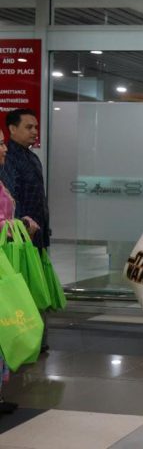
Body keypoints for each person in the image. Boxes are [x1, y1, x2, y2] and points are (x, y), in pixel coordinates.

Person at [0, 108, 48, 353]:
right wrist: (21, 227)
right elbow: (9, 203)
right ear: (12, 129)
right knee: (22, 291)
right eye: (29, 127)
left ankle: (36, 341)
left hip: (34, 237)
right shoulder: (9, 161)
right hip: (18, 239)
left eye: (36, 127)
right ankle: (24, 342)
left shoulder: (31, 157)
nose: (34, 132)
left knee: (37, 288)